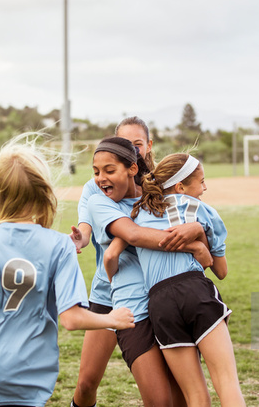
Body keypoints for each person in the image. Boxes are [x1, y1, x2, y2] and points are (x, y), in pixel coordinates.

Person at [0, 137, 135, 407]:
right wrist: (112, 318)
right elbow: (72, 319)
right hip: (33, 374)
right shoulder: (59, 245)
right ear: (40, 190)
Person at [70, 117, 204, 407]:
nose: (134, 149)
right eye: (126, 144)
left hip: (156, 291)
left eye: (138, 144)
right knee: (86, 382)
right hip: (109, 290)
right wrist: (81, 239)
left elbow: (190, 212)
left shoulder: (157, 185)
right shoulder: (97, 189)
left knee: (170, 388)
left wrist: (198, 231)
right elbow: (90, 227)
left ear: (148, 146)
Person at [130, 153, 245, 406]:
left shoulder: (138, 213)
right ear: (180, 187)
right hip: (195, 290)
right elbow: (221, 271)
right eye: (201, 181)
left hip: (159, 304)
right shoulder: (202, 210)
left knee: (195, 396)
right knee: (226, 381)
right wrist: (201, 235)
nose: (205, 187)